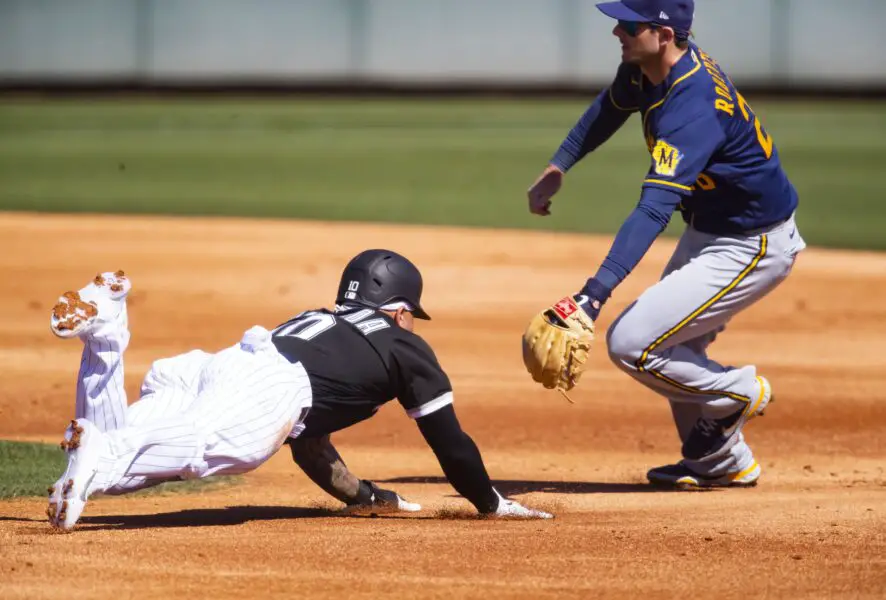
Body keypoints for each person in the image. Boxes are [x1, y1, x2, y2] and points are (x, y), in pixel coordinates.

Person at [46, 253, 550, 531]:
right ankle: (103, 443)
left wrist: (367, 497)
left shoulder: (320, 320)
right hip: (270, 389)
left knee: (108, 467)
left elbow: (309, 443)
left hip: (221, 365)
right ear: (399, 309)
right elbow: (451, 443)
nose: (412, 324)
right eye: (412, 315)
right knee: (222, 450)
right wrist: (491, 503)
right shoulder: (402, 345)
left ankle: (107, 341)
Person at [524, 0, 806, 488]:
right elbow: (610, 106)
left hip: (753, 243)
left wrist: (593, 296)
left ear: (664, 32)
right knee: (670, 339)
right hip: (713, 230)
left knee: (632, 343)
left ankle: (735, 392)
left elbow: (653, 210)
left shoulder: (691, 106)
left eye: (629, 24)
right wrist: (561, 163)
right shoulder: (646, 67)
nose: (616, 30)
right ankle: (721, 464)